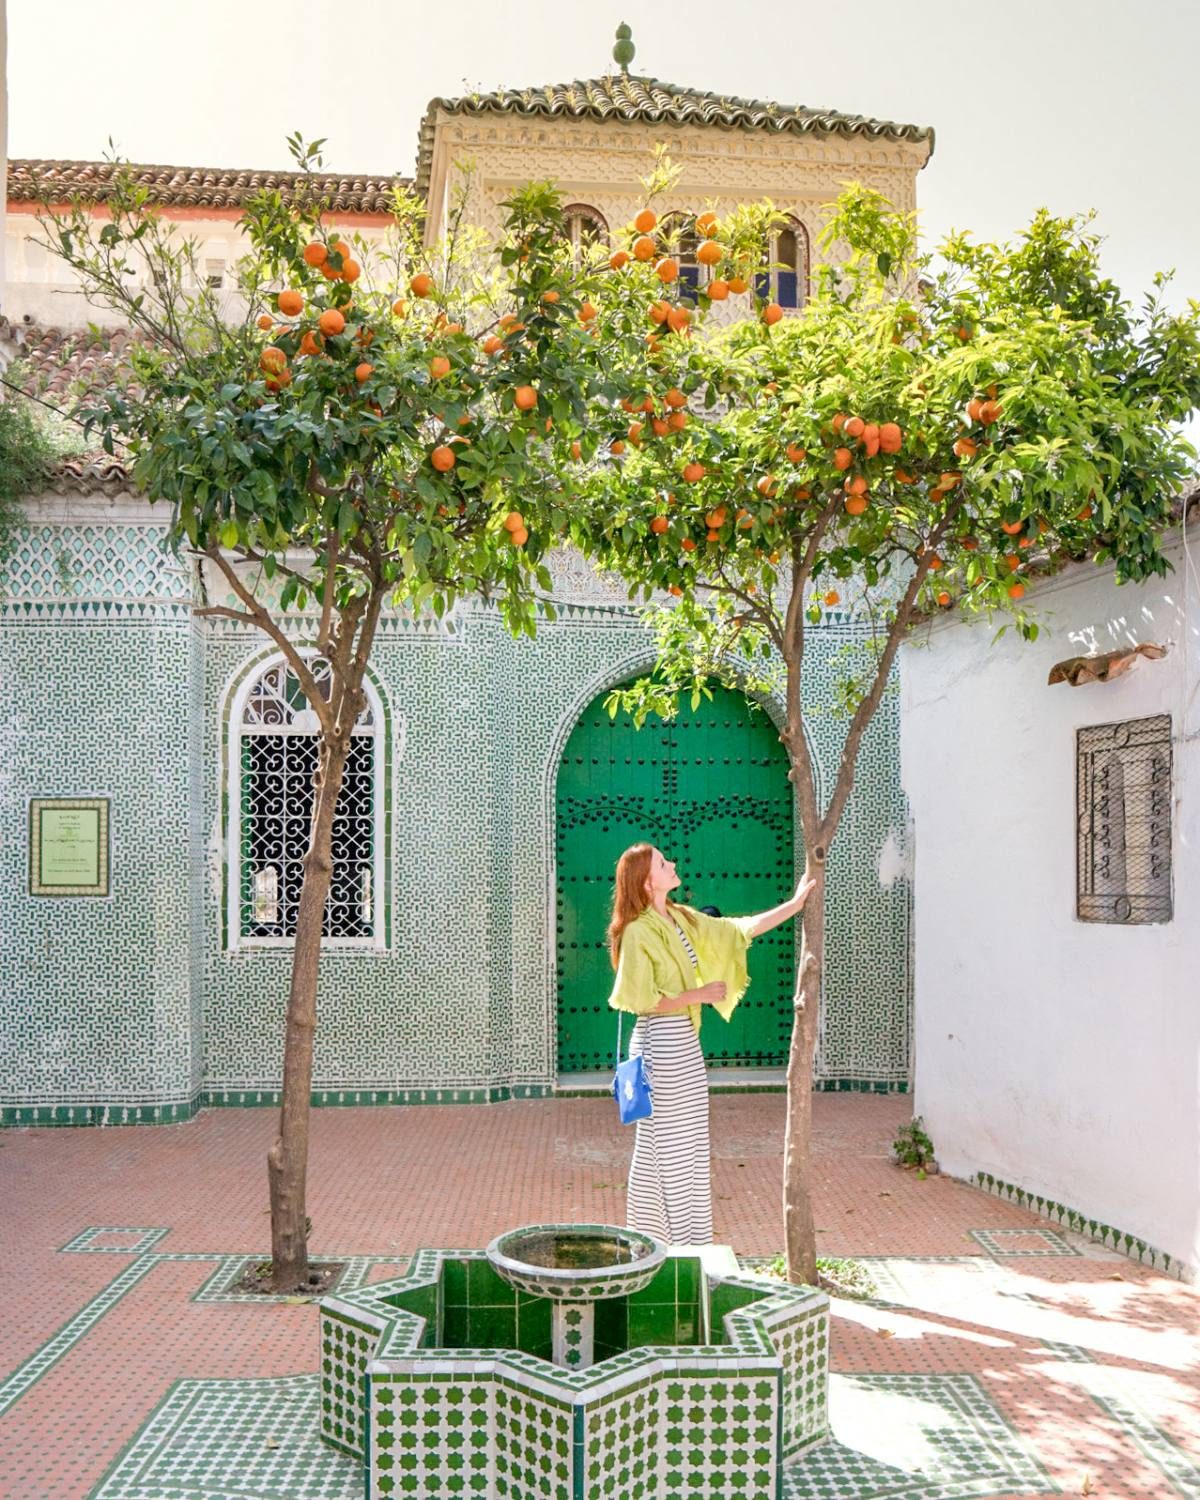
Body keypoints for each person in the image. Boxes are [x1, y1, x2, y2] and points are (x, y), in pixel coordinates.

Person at [606, 842, 816, 1246]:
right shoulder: (637, 931)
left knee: (691, 1143)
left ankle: (688, 1240)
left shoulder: (681, 918)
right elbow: (638, 998)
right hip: (659, 1046)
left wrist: (794, 903)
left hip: (684, 1043)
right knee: (664, 1146)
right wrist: (696, 996)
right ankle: (657, 1240)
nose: (673, 865)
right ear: (648, 883)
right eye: (663, 864)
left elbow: (740, 929)